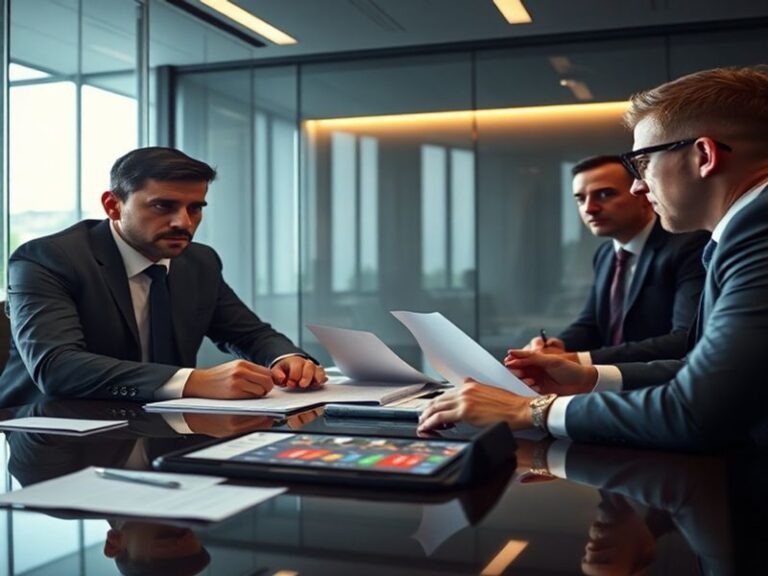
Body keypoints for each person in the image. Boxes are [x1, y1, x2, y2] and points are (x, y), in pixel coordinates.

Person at [419, 66, 768, 450]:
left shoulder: (758, 233)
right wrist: (586, 376)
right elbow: (699, 374)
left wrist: (532, 410)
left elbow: (696, 408)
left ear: (704, 155)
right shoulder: (744, 231)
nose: (637, 185)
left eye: (643, 164)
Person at [0, 147, 326, 407]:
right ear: (113, 206)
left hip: (161, 428)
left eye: (195, 208)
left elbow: (250, 334)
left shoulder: (200, 262)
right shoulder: (48, 259)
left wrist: (288, 359)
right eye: (163, 206)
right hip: (54, 432)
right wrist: (193, 381)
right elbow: (57, 367)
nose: (182, 222)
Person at [526, 155, 706, 365]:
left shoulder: (688, 247)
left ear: (642, 194)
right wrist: (557, 346)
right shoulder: (605, 254)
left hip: (665, 386)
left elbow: (684, 339)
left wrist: (577, 359)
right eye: (580, 198)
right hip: (611, 384)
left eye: (604, 194)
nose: (589, 208)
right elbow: (591, 324)